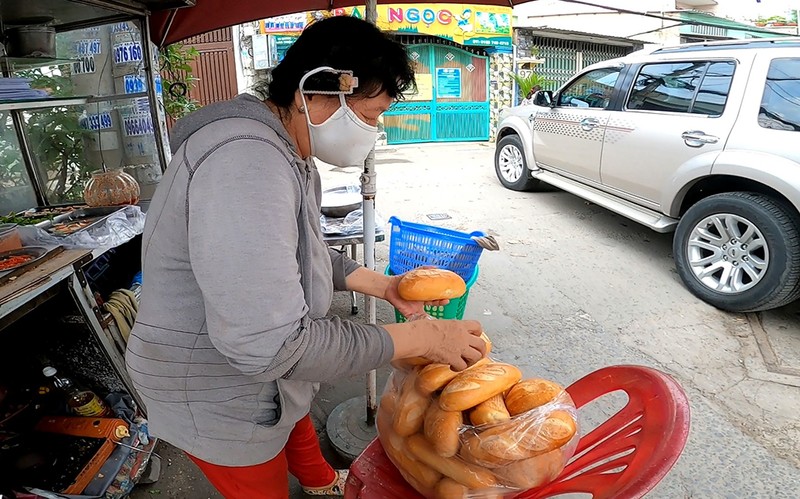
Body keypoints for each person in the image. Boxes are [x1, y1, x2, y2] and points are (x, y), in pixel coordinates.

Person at [125, 16, 486, 499]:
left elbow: (299, 253)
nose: (372, 133)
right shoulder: (245, 164)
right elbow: (269, 346)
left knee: (295, 414)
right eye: (370, 117)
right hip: (218, 391)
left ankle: (318, 481)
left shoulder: (286, 146)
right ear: (315, 91)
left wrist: (383, 285)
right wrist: (417, 337)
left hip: (266, 379)